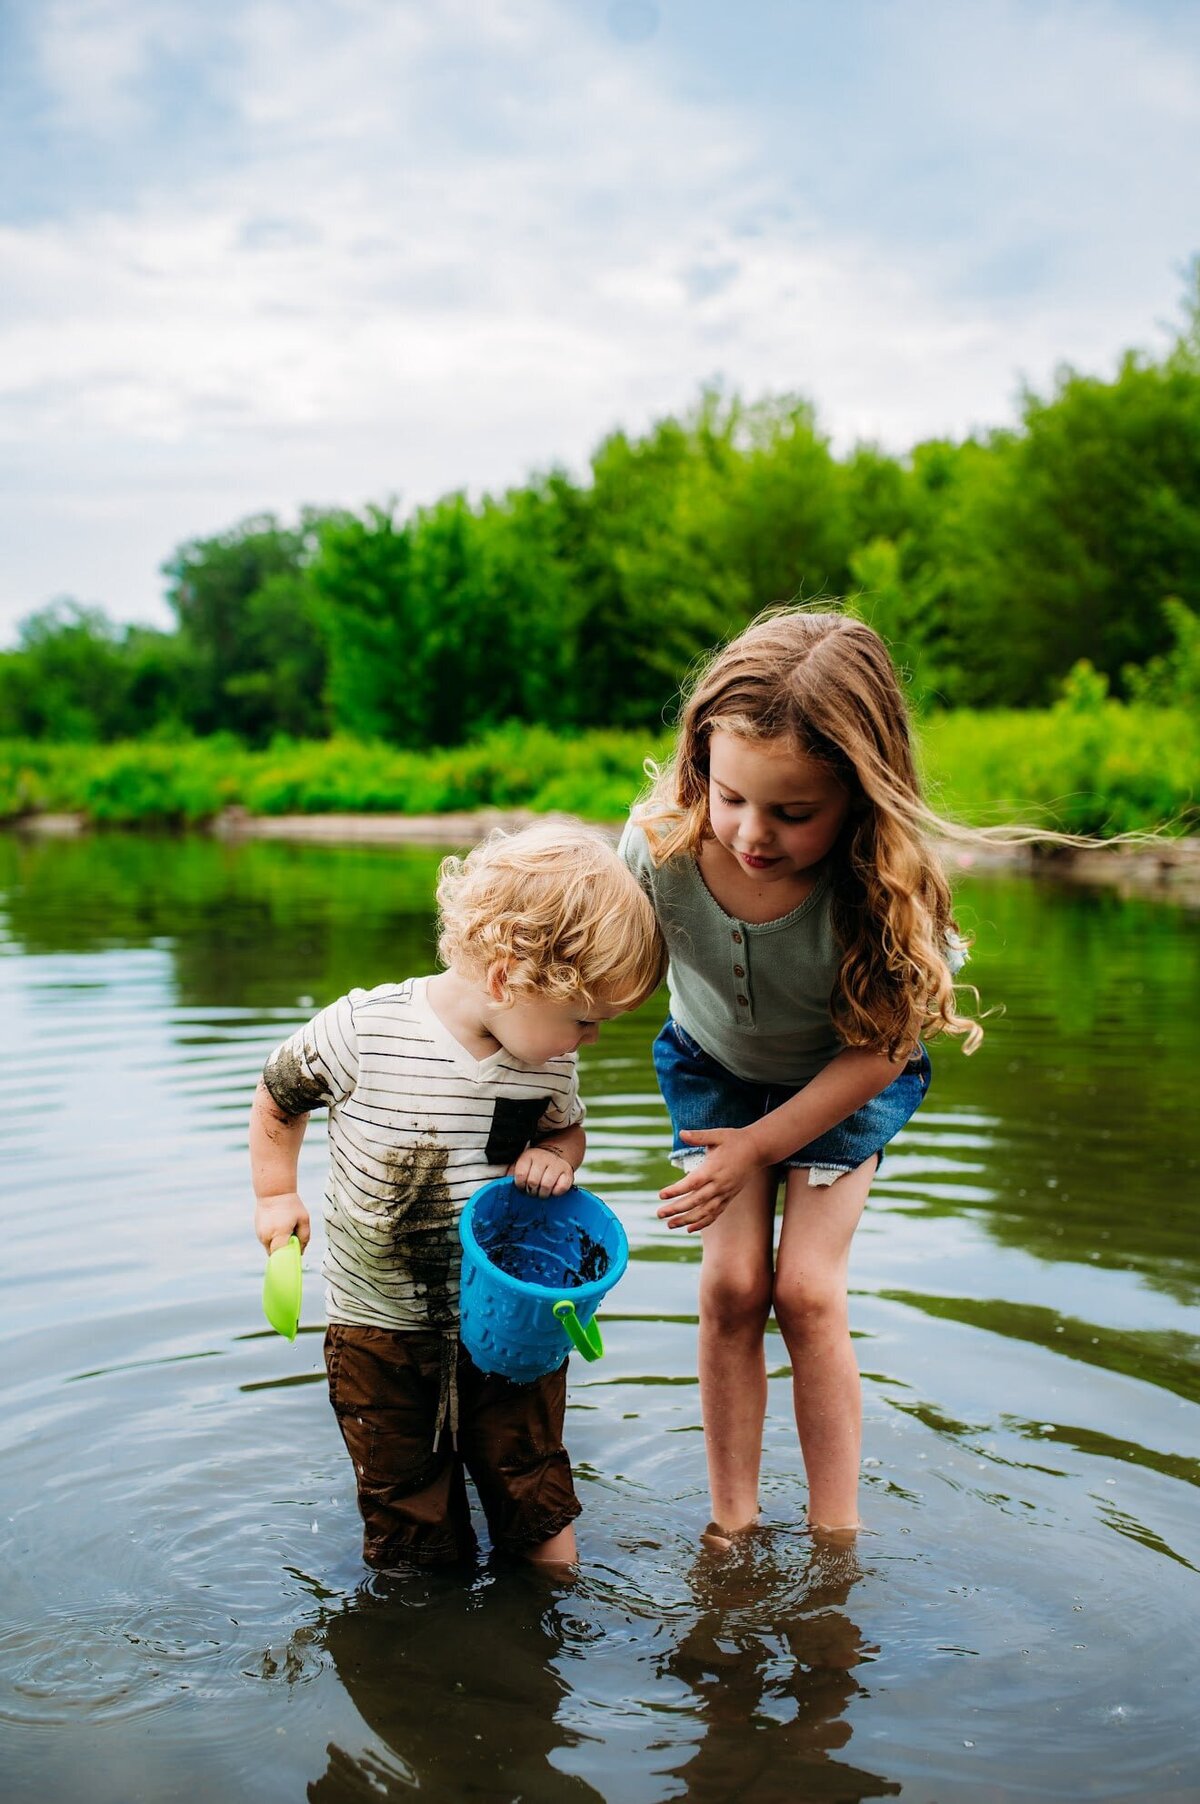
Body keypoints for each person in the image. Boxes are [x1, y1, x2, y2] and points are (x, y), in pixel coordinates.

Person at [621, 608, 980, 1546]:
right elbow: (605, 978)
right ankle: (730, 1526)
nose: (752, 834)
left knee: (807, 1292)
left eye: (792, 814)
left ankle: (836, 1534)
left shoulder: (887, 884)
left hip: (845, 1079)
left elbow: (884, 1050)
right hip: (713, 1071)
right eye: (731, 796)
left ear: (859, 796)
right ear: (701, 762)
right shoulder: (660, 846)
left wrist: (761, 1148)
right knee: (732, 1287)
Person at [250, 819, 666, 1571]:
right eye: (584, 1021)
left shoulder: (548, 1062)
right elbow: (280, 1095)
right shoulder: (365, 1029)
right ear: (507, 979)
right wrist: (277, 1193)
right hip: (380, 1322)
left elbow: (567, 1132)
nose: (591, 1040)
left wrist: (556, 1157)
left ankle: (554, 1593)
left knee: (530, 1476)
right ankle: (423, 1613)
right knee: (405, 1498)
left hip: (511, 1322)